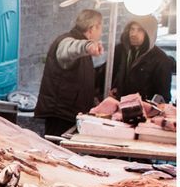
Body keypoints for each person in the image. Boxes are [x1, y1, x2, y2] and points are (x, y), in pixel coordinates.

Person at [34, 9, 105, 137]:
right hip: (61, 116)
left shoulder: (83, 52)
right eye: (100, 29)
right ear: (93, 28)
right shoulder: (66, 41)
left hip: (72, 115)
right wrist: (87, 46)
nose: (101, 33)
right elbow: (71, 48)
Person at [111, 15, 173, 102]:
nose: (133, 34)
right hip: (118, 107)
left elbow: (163, 97)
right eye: (132, 29)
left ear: (149, 33)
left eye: (140, 30)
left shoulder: (161, 60)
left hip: (144, 111)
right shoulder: (120, 50)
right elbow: (110, 75)